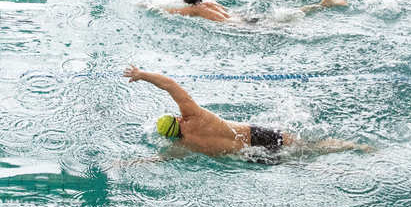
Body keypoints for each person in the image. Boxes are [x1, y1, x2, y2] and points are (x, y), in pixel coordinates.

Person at [123, 65, 373, 159]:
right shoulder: (194, 115)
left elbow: (157, 160)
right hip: (255, 136)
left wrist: (125, 162)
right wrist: (142, 75)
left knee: (298, 159)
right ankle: (354, 147)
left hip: (250, 156)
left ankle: (343, 163)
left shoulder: (183, 147)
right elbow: (170, 86)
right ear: (177, 118)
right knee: (307, 145)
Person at [163, 0, 347, 23]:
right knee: (279, 18)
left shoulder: (194, 10)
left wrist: (150, 6)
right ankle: (320, 5)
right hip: (241, 15)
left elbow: (173, 12)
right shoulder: (211, 2)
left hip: (237, 24)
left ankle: (322, 6)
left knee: (279, 24)